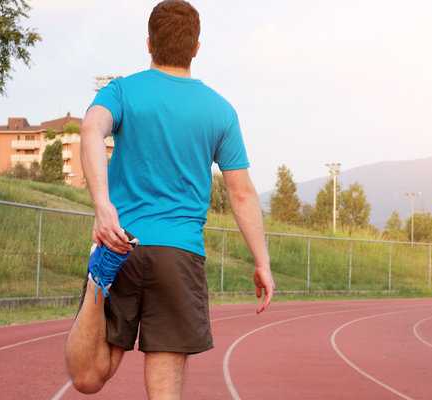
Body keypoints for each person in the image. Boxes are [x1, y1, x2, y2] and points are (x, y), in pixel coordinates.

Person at [65, 1, 275, 398]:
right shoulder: (220, 110)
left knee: (90, 377)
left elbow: (92, 128)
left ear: (149, 44)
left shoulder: (122, 90)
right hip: (177, 254)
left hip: (120, 243)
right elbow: (241, 194)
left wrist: (102, 206)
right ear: (196, 48)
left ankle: (98, 281)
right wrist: (261, 262)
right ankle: (99, 279)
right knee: (164, 391)